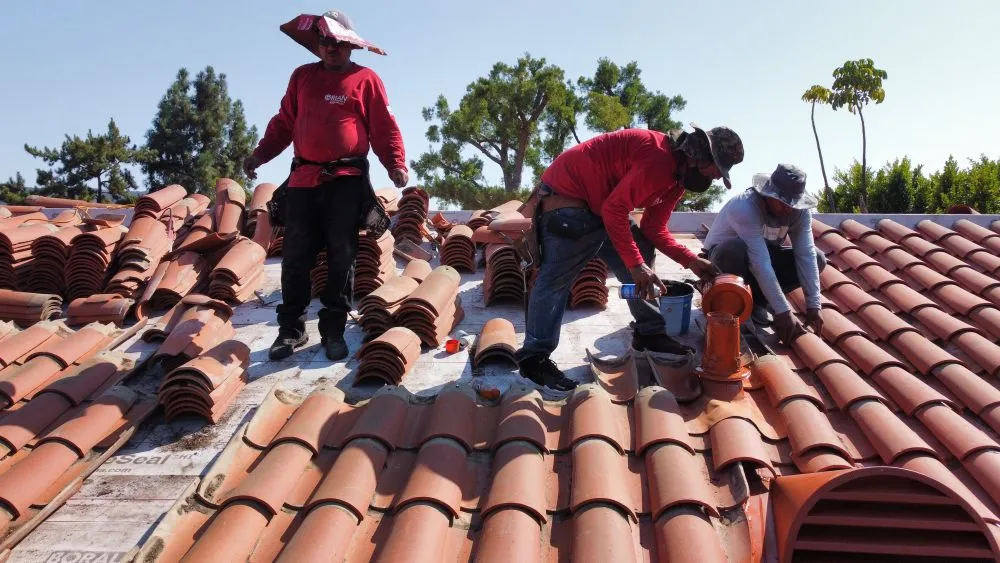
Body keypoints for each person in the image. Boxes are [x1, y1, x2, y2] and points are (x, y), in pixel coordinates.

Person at [515, 124, 745, 390]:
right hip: (569, 197)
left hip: (600, 205)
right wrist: (635, 266)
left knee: (641, 245)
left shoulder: (677, 179)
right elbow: (614, 209)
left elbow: (653, 227)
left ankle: (650, 332)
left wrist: (690, 261)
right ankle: (534, 358)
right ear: (698, 156)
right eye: (716, 168)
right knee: (556, 279)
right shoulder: (658, 160)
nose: (717, 177)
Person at [244, 10, 408, 361]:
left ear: (350, 44)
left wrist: (395, 165)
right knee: (295, 258)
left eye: (337, 42)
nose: (331, 47)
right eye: (325, 41)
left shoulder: (366, 79)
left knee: (341, 257)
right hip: (303, 181)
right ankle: (291, 330)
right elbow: (284, 122)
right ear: (317, 45)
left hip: (346, 183)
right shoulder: (302, 77)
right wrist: (259, 156)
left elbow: (384, 128)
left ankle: (333, 331)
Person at [702, 163, 826, 344]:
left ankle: (758, 302)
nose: (788, 209)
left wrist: (814, 304)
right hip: (721, 265)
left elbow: (805, 254)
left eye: (792, 203)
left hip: (762, 258)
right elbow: (759, 262)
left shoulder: (799, 213)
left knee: (819, 258)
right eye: (783, 202)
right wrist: (783, 311)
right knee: (734, 251)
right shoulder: (744, 207)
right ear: (768, 194)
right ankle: (736, 302)